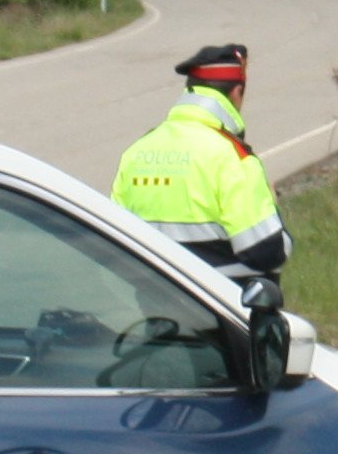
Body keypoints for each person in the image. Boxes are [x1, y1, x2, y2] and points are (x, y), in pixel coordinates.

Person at [111, 42, 288, 280]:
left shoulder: (136, 152)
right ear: (236, 92)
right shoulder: (232, 157)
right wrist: (272, 206)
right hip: (219, 308)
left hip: (151, 305)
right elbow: (268, 253)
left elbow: (115, 243)